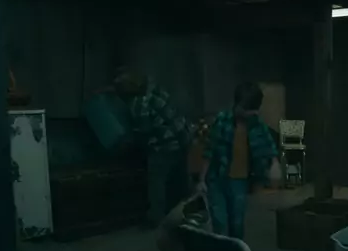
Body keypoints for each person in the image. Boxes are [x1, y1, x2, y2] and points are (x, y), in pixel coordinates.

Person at [107, 70, 193, 227]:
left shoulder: (140, 104)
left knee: (156, 181)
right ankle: (184, 213)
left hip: (165, 145)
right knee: (179, 180)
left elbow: (143, 132)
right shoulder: (155, 88)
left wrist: (124, 145)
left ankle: (155, 217)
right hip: (182, 137)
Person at [197, 81, 281, 240]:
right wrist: (202, 180)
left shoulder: (257, 125)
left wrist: (275, 164)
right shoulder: (222, 120)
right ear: (237, 105)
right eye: (246, 109)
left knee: (237, 223)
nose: (250, 113)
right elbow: (209, 150)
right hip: (217, 179)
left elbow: (269, 146)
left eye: (253, 110)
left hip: (239, 181)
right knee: (220, 222)